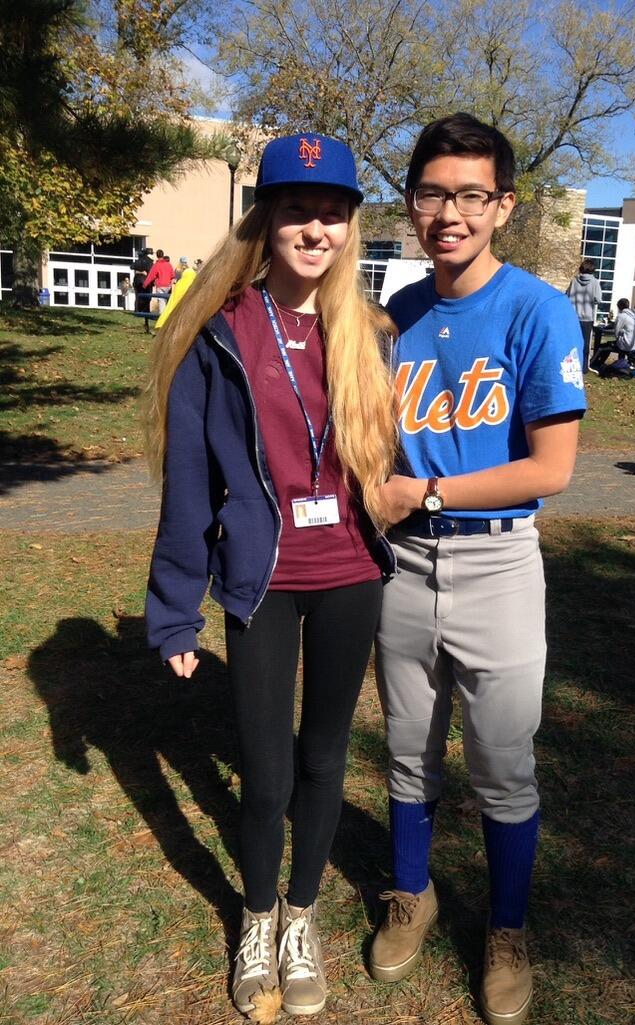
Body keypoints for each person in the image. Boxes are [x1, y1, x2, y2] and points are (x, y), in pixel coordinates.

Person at [144, 132, 398, 1022]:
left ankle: (301, 916)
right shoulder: (219, 333)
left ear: (350, 225)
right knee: (265, 768)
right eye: (298, 208)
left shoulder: (374, 334)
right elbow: (187, 484)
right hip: (261, 578)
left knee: (325, 755)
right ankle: (256, 916)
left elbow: (404, 458)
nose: (315, 227)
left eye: (333, 211)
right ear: (268, 216)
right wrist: (176, 609)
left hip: (352, 574)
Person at [368, 113, 586, 1025]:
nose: (448, 213)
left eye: (470, 195)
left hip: (497, 561)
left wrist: (420, 491)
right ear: (412, 202)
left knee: (504, 765)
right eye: (432, 193)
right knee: (407, 753)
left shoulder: (538, 308)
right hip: (405, 569)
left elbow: (552, 468)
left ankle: (505, 929)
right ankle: (413, 893)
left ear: (502, 204)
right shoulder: (398, 313)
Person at [565, 258, 602, 372]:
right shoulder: (595, 282)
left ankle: (570, 365)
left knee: (572, 341)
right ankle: (584, 367)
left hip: (573, 316)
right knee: (585, 343)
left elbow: (567, 295)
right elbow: (598, 299)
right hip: (587, 317)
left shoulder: (574, 281)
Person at [591, 297, 635, 369]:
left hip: (628, 343)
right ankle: (615, 363)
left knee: (604, 347)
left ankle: (596, 364)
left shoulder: (621, 316)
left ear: (619, 307)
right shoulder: (633, 315)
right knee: (610, 344)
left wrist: (617, 331)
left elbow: (616, 332)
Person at [155, 257, 196, 330]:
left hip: (179, 288)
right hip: (187, 289)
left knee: (171, 306)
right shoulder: (190, 271)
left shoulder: (178, 270)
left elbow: (175, 279)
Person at [131, 247, 154, 313]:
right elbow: (150, 271)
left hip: (137, 279)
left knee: (137, 295)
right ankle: (146, 310)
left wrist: (138, 271)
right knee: (147, 296)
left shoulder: (138, 261)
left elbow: (132, 267)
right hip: (146, 280)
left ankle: (137, 310)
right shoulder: (149, 261)